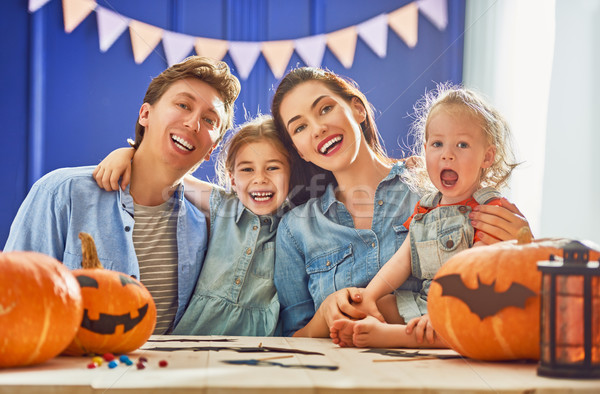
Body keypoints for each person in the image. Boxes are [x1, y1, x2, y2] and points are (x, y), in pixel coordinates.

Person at [270, 67, 531, 343]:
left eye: (325, 109)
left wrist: (523, 246)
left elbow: (506, 295)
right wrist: (323, 315)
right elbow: (290, 341)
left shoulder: (438, 186)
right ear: (299, 149)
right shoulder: (295, 228)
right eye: (300, 127)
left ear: (357, 109)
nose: (318, 128)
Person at [4, 56, 241, 335]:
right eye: (183, 105)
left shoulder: (203, 226)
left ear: (211, 149)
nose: (193, 123)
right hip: (73, 373)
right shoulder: (62, 193)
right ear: (145, 115)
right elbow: (11, 297)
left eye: (209, 119)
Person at [329, 84, 518, 348]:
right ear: (426, 149)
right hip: (425, 301)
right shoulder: (424, 209)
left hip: (469, 301)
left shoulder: (490, 209)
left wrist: (443, 312)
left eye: (462, 145)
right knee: (384, 302)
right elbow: (402, 260)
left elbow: (476, 271)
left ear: (487, 156)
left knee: (473, 324)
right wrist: (369, 298)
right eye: (437, 144)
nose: (447, 154)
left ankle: (394, 337)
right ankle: (383, 323)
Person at [93, 115, 291, 336]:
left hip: (259, 341)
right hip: (195, 336)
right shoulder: (223, 205)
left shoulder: (295, 222)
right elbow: (168, 176)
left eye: (273, 168)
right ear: (232, 179)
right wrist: (127, 154)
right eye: (247, 170)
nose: (260, 179)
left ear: (291, 173)